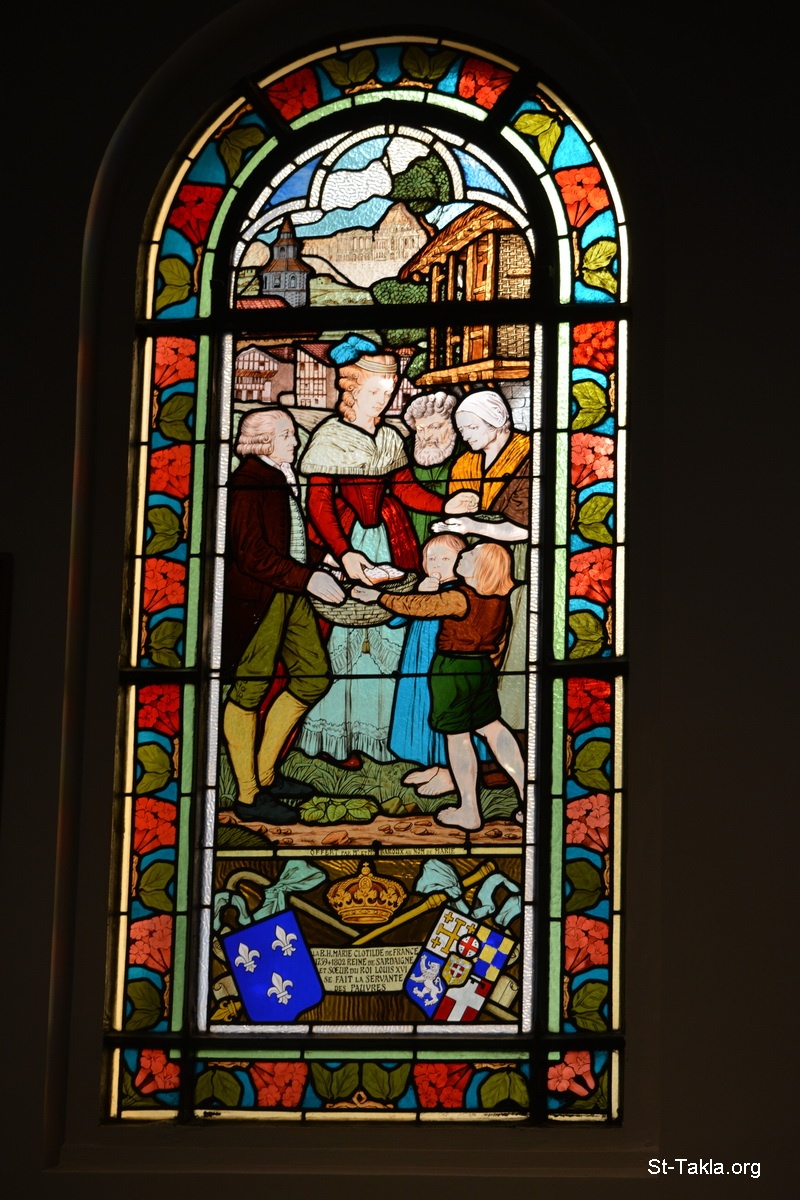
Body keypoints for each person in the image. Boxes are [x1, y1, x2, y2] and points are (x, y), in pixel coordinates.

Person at [294, 340, 476, 764]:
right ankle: (338, 738)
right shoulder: (329, 437)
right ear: (353, 389)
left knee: (389, 635)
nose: (386, 397)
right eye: (378, 390)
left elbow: (406, 489)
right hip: (345, 542)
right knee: (344, 638)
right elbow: (318, 504)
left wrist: (445, 506)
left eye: (390, 389)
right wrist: (343, 553)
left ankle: (383, 735)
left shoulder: (390, 436)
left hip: (390, 542)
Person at [221, 408, 345, 824]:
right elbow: (252, 554)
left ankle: (267, 774)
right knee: (249, 690)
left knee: (313, 677)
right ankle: (248, 794)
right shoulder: (247, 484)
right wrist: (308, 578)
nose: (295, 441)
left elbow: (286, 540)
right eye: (288, 434)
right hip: (259, 598)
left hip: (289, 590)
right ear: (264, 441)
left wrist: (326, 560)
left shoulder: (277, 476)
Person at [353, 541, 526, 831]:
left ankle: (469, 810)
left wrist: (378, 596)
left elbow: (417, 606)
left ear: (482, 569)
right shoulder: (497, 601)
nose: (464, 554)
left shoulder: (460, 598)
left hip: (453, 671)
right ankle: (528, 798)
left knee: (457, 738)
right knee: (493, 729)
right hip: (481, 668)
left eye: (470, 554)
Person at [434, 389, 531, 729]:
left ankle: (513, 726)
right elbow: (456, 509)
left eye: (472, 428)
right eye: (462, 430)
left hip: (515, 567)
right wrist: (452, 522)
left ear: (498, 421)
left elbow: (525, 528)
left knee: (513, 646)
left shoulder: (528, 455)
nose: (466, 436)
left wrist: (472, 524)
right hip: (473, 567)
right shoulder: (465, 463)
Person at [387, 531, 467, 796]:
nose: (437, 564)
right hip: (417, 662)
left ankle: (451, 770)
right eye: (431, 558)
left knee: (444, 708)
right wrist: (418, 593)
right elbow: (395, 620)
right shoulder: (424, 588)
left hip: (444, 661)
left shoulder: (461, 592)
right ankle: (434, 763)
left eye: (445, 558)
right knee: (423, 705)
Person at [401, 390, 463, 545]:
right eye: (421, 429)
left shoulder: (467, 450)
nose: (426, 436)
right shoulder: (403, 450)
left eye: (434, 427)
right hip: (407, 534)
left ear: (452, 424)